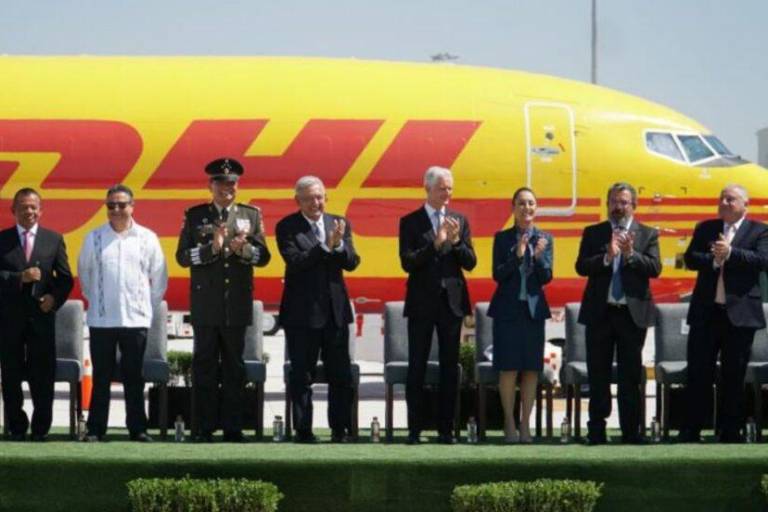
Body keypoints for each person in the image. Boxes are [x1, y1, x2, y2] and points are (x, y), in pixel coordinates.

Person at [176, 157, 271, 443]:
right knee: (204, 366)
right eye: (220, 183)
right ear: (211, 186)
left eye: (231, 184)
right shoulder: (196, 215)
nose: (226, 188)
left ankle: (233, 428)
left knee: (234, 368)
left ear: (237, 186)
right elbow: (182, 257)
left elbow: (264, 257)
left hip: (236, 304)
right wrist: (211, 248)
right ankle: (203, 427)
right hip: (206, 305)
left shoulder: (251, 215)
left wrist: (244, 251)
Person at [78, 184, 168, 442]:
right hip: (102, 320)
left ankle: (138, 429)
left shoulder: (147, 238)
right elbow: (85, 274)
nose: (116, 210)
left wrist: (144, 305)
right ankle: (96, 429)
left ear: (132, 206)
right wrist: (99, 301)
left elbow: (159, 277)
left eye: (121, 205)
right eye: (111, 205)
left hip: (135, 320)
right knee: (101, 377)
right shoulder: (94, 237)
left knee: (134, 377)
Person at [679, 185, 768, 443]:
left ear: (745, 204)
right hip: (706, 313)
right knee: (698, 373)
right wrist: (714, 260)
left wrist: (731, 253)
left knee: (734, 375)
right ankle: (691, 430)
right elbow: (690, 258)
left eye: (731, 199)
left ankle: (730, 431)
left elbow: (762, 260)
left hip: (740, 315)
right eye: (722, 198)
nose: (724, 202)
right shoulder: (706, 228)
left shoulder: (759, 230)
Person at [276, 176, 360, 443]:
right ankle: (303, 430)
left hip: (335, 312)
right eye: (309, 198)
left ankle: (340, 429)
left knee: (340, 375)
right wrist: (325, 246)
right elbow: (296, 261)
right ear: (297, 200)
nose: (315, 203)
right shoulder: (287, 226)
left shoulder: (338, 223)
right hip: (302, 313)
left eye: (319, 197)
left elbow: (352, 262)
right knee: (302, 375)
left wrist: (339, 245)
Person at [575, 182, 661, 445]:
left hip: (631, 315)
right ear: (607, 204)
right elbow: (581, 266)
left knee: (630, 375)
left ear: (633, 205)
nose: (618, 207)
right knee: (598, 374)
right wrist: (607, 257)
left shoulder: (647, 234)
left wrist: (630, 254)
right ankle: (597, 431)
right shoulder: (594, 232)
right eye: (613, 201)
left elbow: (655, 268)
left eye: (623, 202)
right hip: (600, 313)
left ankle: (631, 432)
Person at [399, 166, 477, 444]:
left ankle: (447, 429)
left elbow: (470, 262)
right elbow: (407, 262)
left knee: (449, 367)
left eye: (450, 188)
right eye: (442, 188)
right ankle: (414, 428)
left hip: (451, 302)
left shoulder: (459, 220)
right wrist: (435, 244)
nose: (447, 193)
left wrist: (455, 242)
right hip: (422, 302)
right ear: (428, 188)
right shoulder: (410, 222)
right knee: (417, 366)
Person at [0, 188, 73, 441]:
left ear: (40, 210)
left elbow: (65, 279)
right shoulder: (3, 240)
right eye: (23, 207)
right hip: (9, 320)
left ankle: (41, 428)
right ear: (13, 210)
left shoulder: (53, 239)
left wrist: (53, 299)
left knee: (42, 375)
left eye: (33, 207)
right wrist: (19, 278)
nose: (28, 211)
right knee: (11, 375)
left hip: (42, 319)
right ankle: (17, 426)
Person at [487, 187, 553, 443]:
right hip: (507, 311)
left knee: (531, 369)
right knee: (509, 368)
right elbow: (498, 274)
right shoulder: (502, 238)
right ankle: (510, 422)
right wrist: (517, 256)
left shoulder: (545, 239)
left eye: (531, 203)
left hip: (533, 312)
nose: (527, 208)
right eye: (522, 203)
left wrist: (538, 258)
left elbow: (546, 278)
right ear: (513, 208)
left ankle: (525, 425)